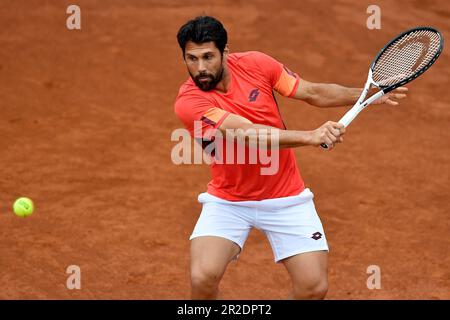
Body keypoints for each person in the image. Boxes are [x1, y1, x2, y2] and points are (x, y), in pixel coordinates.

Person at [174, 16, 408, 300]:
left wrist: (364, 94)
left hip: (286, 196)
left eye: (208, 57)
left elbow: (311, 91)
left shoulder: (257, 64)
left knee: (314, 287)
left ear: (225, 52)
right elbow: (248, 134)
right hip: (229, 201)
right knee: (202, 277)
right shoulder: (189, 102)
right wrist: (311, 136)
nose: (200, 68)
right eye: (192, 58)